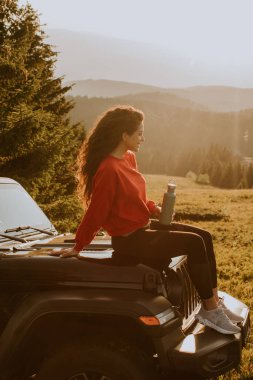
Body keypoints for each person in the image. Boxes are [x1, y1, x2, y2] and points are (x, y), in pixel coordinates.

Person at [51, 105, 243, 335]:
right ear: (124, 135)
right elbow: (96, 212)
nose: (143, 138)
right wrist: (78, 245)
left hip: (144, 228)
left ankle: (213, 302)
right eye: (139, 133)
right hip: (130, 241)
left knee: (204, 236)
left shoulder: (128, 158)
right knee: (194, 243)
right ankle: (210, 311)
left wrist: (154, 208)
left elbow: (136, 198)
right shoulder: (108, 169)